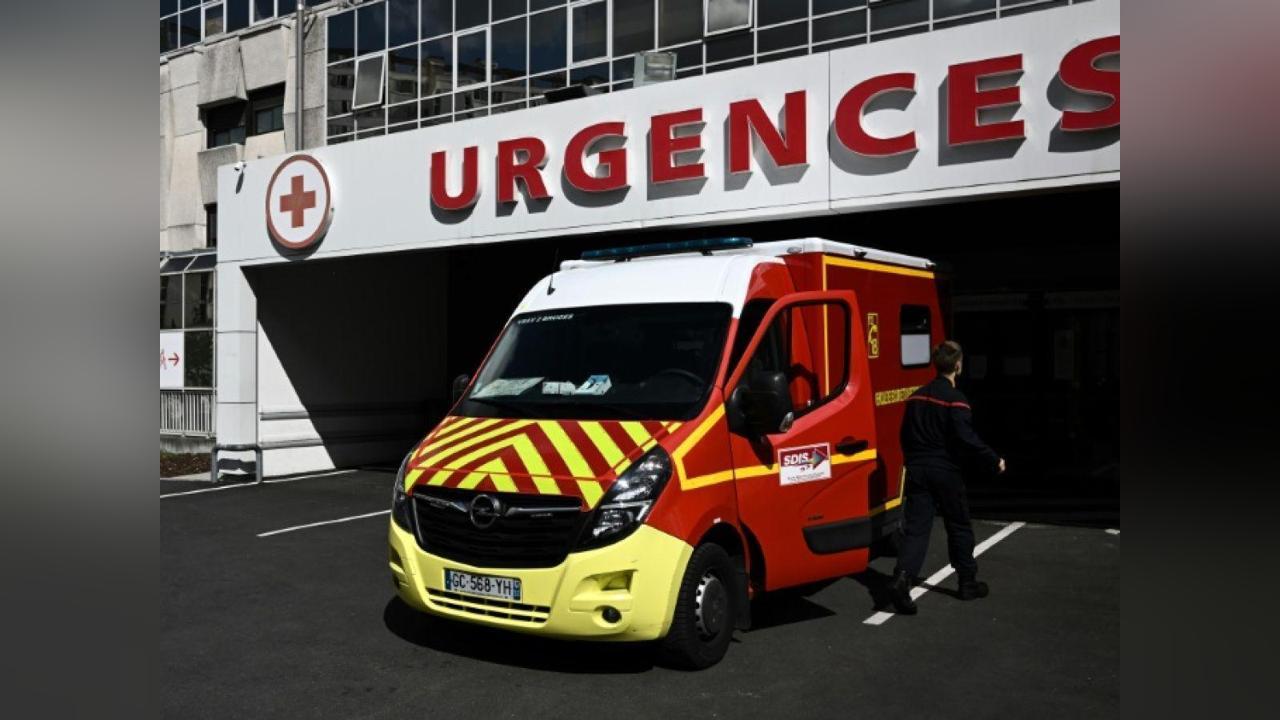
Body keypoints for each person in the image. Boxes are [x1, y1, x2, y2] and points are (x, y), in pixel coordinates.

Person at [889, 340, 1005, 615]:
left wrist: (912, 462)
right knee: (959, 525)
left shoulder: (915, 397)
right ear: (958, 365)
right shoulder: (956, 400)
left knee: (917, 529)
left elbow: (904, 435)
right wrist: (993, 459)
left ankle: (902, 579)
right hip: (945, 471)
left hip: (918, 470)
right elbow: (966, 438)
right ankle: (967, 582)